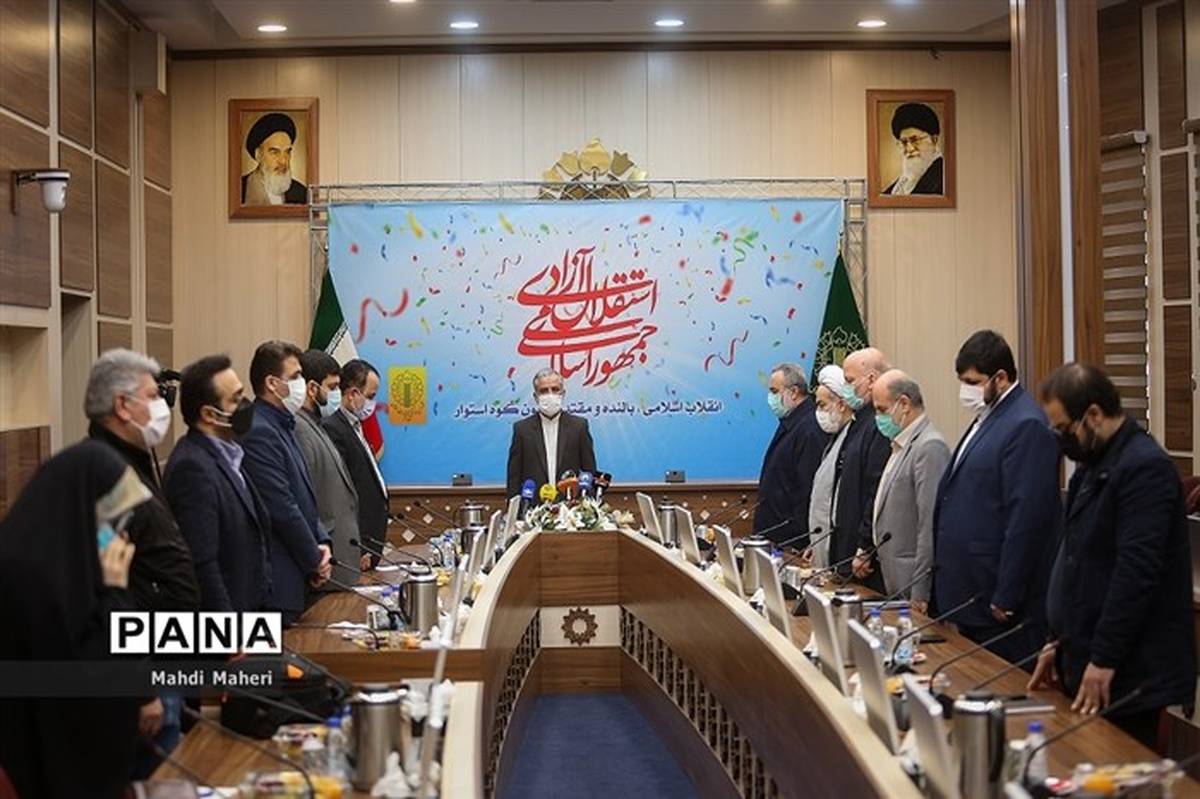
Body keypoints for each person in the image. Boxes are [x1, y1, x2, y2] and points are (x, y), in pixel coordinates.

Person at [1029, 364, 1195, 748]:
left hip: (1127, 671)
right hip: (1084, 656)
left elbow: (1135, 574)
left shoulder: (1145, 468)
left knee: (1117, 767)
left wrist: (1103, 658)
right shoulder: (1092, 467)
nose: (1061, 440)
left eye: (1064, 429)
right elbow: (1076, 563)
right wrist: (1058, 641)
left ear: (1093, 414)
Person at [0, 441, 146, 799]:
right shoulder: (32, 579)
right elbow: (100, 677)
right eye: (110, 519)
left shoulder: (56, 561)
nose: (117, 535)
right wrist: (116, 593)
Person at [84, 349, 200, 766]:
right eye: (152, 396)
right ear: (122, 405)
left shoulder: (131, 463)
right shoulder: (106, 476)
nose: (162, 406)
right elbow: (108, 589)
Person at [934, 330, 1059, 662]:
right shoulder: (989, 417)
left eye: (972, 382)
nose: (965, 391)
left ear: (1001, 378)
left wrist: (1007, 594)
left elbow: (1026, 519)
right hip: (969, 594)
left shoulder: (1026, 424)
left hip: (996, 602)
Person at [163, 355, 271, 612]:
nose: (245, 405)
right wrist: (225, 628)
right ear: (210, 414)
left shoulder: (230, 454)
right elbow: (203, 564)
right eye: (235, 399)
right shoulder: (192, 468)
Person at [241, 340, 332, 625]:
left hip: (298, 571)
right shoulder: (258, 430)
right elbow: (281, 506)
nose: (301, 384)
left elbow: (304, 494)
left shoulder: (284, 424)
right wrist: (313, 558)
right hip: (278, 579)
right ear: (272, 383)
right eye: (295, 376)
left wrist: (321, 541)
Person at [852, 370, 949, 610]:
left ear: (904, 404)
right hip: (891, 578)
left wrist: (921, 590)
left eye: (882, 410)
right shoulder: (900, 445)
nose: (877, 418)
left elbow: (929, 526)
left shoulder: (929, 447)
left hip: (912, 583)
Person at [294, 350, 360, 582]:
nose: (337, 394)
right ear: (312, 389)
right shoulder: (300, 429)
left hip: (341, 557)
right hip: (325, 560)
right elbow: (305, 497)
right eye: (332, 387)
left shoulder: (317, 425)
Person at [830, 347, 891, 585]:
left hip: (863, 559)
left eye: (849, 380)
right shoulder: (859, 421)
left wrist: (865, 546)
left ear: (871, 380)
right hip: (846, 548)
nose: (845, 387)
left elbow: (875, 489)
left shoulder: (879, 424)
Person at [325, 358, 389, 570]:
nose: (372, 404)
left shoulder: (356, 426)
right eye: (370, 396)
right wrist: (357, 546)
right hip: (356, 543)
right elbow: (343, 494)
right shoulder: (334, 429)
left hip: (369, 540)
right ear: (353, 393)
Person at [754, 363, 827, 545]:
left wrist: (800, 542)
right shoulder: (790, 421)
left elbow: (807, 489)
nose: (770, 398)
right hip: (773, 534)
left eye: (774, 391)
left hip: (791, 541)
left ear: (793, 392)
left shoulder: (810, 428)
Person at [506, 368, 597, 498]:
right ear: (536, 396)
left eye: (555, 389)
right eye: (544, 391)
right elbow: (514, 477)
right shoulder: (522, 429)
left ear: (563, 393)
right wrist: (514, 507)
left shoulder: (579, 427)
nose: (550, 395)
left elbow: (589, 472)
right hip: (533, 507)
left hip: (570, 507)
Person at [805, 365, 855, 568]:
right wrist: (813, 542)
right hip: (821, 542)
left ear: (841, 404)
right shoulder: (835, 438)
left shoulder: (851, 439)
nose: (818, 412)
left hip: (838, 550)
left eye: (822, 405)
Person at [241, 112, 307, 205]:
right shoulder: (240, 189)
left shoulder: (301, 193)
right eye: (275, 152)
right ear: (258, 155)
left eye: (287, 152)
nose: (283, 161)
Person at [883, 102, 944, 196]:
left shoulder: (943, 177)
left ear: (934, 140)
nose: (910, 148)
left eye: (915, 140)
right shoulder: (901, 183)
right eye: (904, 142)